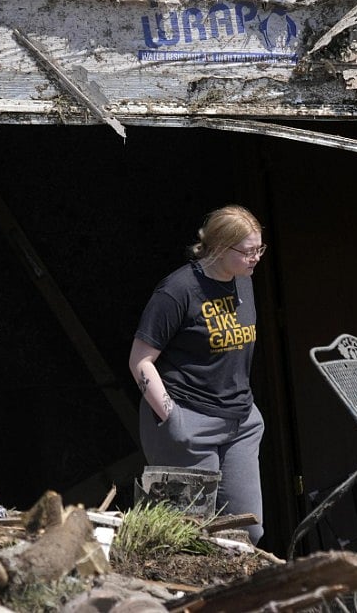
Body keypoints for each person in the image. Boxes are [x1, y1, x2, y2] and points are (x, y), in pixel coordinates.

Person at [129, 204, 266, 545]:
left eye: (259, 249)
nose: (256, 258)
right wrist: (173, 419)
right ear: (220, 248)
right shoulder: (177, 291)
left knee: (247, 531)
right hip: (190, 420)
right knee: (191, 534)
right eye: (248, 251)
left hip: (239, 423)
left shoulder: (242, 283)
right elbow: (140, 361)